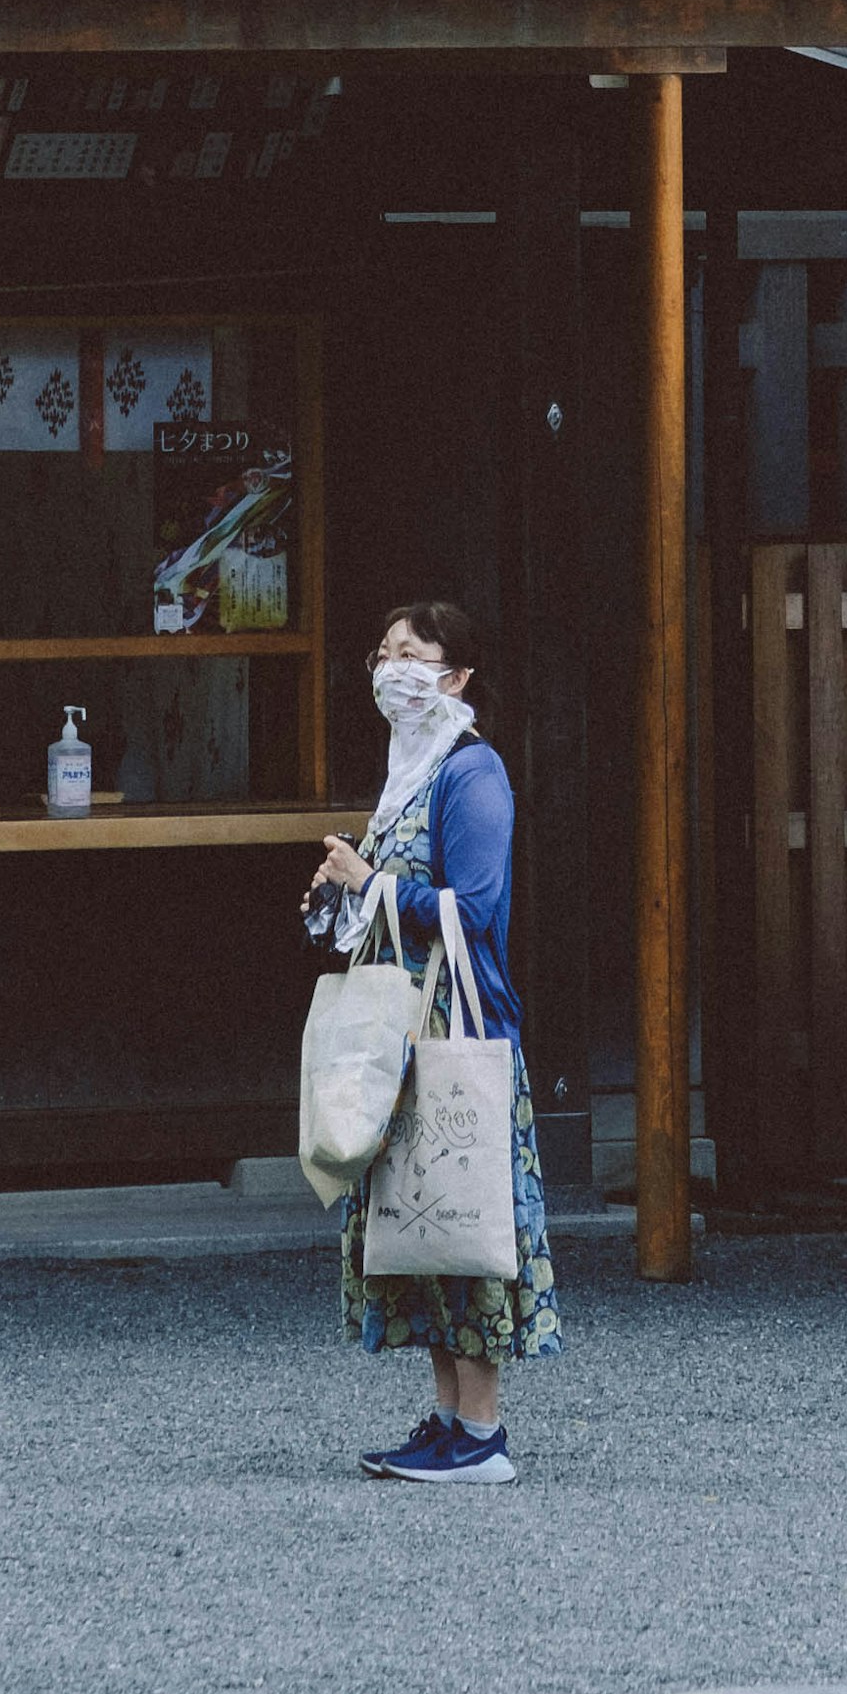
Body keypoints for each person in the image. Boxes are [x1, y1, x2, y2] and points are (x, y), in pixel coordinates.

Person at [307, 593, 558, 1483]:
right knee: (420, 1217)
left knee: (463, 1210)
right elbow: (393, 902)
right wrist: (344, 891)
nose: (391, 671)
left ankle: (482, 1433)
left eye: (411, 656)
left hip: (455, 1025)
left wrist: (373, 879)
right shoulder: (405, 773)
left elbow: (480, 909)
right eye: (383, 653)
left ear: (456, 676)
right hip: (403, 1026)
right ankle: (448, 1416)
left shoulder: (471, 771)